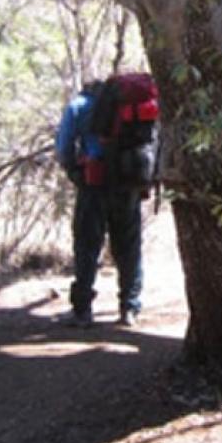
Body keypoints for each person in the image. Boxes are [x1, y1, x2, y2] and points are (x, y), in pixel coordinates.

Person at [54, 79, 144, 328]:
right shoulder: (130, 107)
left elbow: (63, 148)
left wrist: (73, 172)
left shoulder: (79, 105)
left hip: (93, 183)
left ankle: (82, 310)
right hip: (128, 184)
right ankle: (130, 307)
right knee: (128, 248)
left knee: (87, 247)